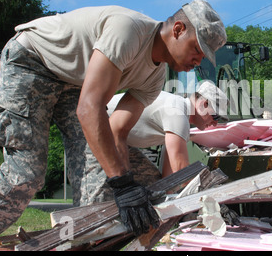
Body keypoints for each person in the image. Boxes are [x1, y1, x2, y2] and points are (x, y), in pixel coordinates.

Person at [0, 0, 227, 237]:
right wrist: (122, 184)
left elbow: (117, 131)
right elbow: (88, 108)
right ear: (178, 29)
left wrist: (127, 185)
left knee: (99, 165)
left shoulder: (154, 79)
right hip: (33, 61)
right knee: (27, 174)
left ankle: (84, 239)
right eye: (197, 49)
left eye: (204, 57)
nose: (198, 61)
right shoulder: (129, 30)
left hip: (74, 81)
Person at [80, 80, 229, 205]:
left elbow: (168, 180)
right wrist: (211, 200)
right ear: (203, 104)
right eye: (215, 116)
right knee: (97, 198)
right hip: (98, 131)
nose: (215, 123)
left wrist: (170, 207)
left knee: (154, 188)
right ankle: (86, 237)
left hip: (119, 140)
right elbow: (182, 172)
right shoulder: (177, 113)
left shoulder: (178, 119)